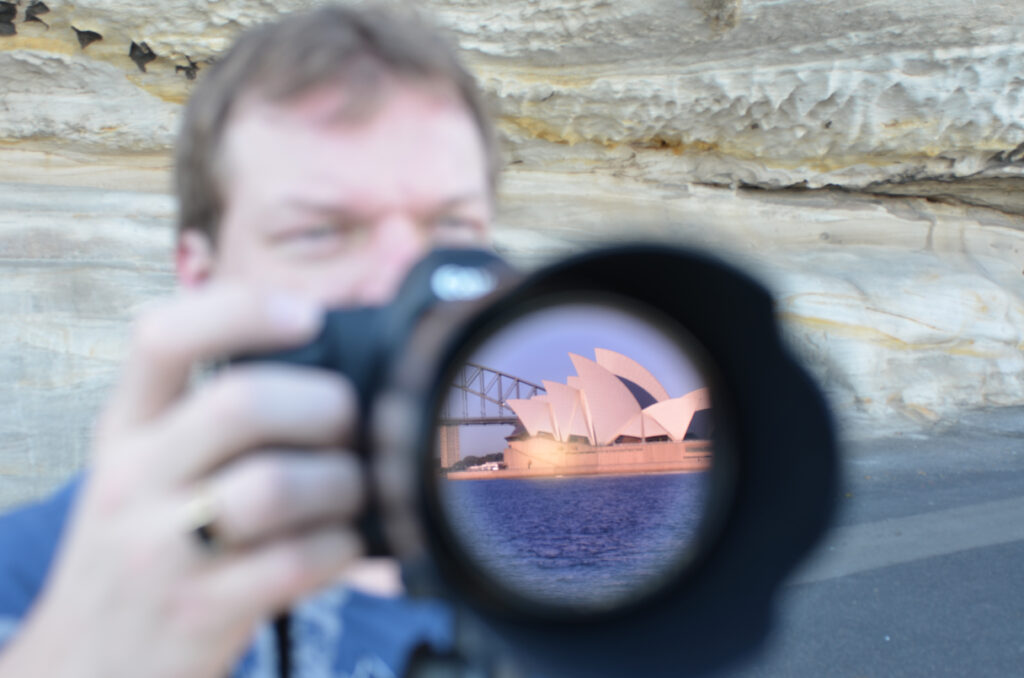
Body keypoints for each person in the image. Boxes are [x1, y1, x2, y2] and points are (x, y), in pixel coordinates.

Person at [0, 5, 498, 677]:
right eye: (318, 232)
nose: (400, 285)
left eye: (451, 231)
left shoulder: (591, 571)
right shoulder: (34, 576)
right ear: (201, 278)